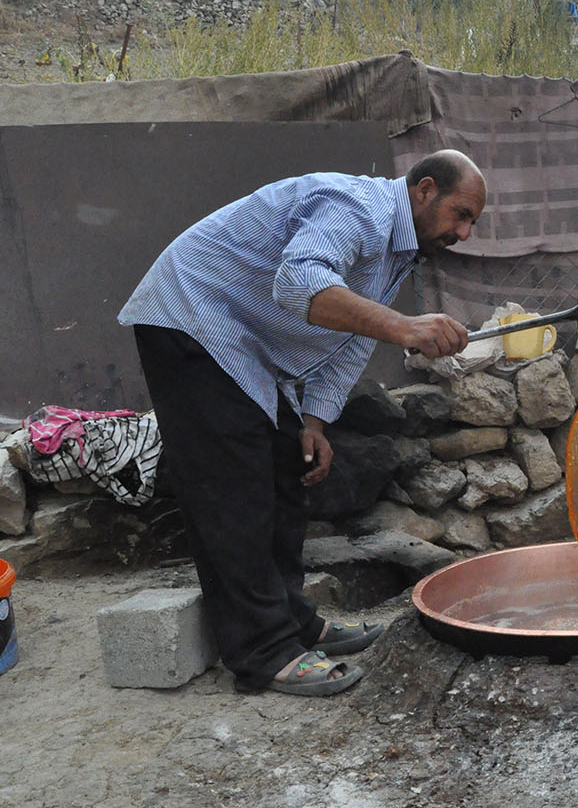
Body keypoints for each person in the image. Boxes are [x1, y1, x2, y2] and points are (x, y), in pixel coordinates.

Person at [119, 149, 485, 696]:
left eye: (472, 222)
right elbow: (300, 284)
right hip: (190, 317)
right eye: (460, 214)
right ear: (424, 190)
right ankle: (262, 653)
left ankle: (294, 624)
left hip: (242, 343)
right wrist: (405, 324)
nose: (463, 231)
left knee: (286, 470)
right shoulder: (354, 207)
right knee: (233, 491)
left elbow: (353, 336)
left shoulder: (395, 253)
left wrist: (314, 420)